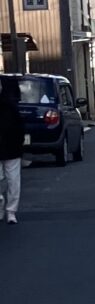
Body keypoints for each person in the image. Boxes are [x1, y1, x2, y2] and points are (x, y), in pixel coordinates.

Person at [0, 77, 24, 225]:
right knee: (7, 180)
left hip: (12, 148)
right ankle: (6, 209)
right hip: (13, 147)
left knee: (13, 180)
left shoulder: (11, 106)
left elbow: (19, 128)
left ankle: (10, 211)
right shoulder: (12, 105)